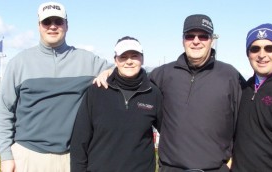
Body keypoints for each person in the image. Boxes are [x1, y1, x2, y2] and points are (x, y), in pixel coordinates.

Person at [96, 14, 244, 172]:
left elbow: (245, 123)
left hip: (214, 169)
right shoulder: (163, 74)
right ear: (183, 40)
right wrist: (111, 72)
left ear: (211, 40)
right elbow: (132, 80)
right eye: (189, 36)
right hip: (170, 168)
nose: (196, 41)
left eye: (203, 36)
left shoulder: (230, 76)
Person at [0, 2, 112, 172]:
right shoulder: (19, 63)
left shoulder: (87, 60)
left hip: (71, 159)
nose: (52, 26)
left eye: (58, 21)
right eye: (46, 22)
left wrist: (108, 72)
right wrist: (6, 156)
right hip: (27, 157)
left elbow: (124, 70)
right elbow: (3, 110)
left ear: (67, 25)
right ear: (39, 26)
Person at [70, 36, 162, 172]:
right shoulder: (97, 91)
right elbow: (80, 140)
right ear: (115, 60)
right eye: (123, 56)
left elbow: (168, 134)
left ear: (142, 59)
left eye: (134, 56)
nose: (129, 61)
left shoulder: (152, 93)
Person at [231, 23, 272, 172]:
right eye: (255, 49)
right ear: (248, 54)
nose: (262, 55)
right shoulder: (245, 87)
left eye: (269, 48)